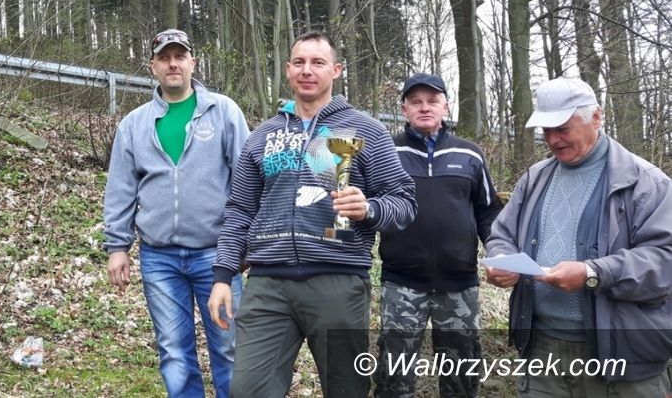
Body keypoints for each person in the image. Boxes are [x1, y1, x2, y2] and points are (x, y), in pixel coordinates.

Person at [208, 31, 416, 398]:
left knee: (346, 390)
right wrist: (223, 275)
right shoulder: (262, 136)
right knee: (248, 390)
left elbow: (404, 202)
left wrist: (369, 208)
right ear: (288, 69)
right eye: (299, 62)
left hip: (338, 280)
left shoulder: (366, 130)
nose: (307, 70)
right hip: (268, 283)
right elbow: (240, 210)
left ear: (336, 70)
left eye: (318, 62)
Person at [485, 77, 672, 395]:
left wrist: (592, 273)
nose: (552, 140)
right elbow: (503, 234)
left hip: (623, 356)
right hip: (541, 351)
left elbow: (664, 260)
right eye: (546, 130)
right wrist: (501, 259)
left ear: (596, 117)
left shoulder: (646, 183)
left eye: (562, 128)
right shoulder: (535, 178)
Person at [103, 28, 250, 398]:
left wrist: (244, 243)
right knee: (173, 351)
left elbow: (248, 181)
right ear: (152, 66)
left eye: (180, 56)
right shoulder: (134, 124)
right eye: (164, 58)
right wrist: (117, 246)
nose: (173, 64)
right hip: (159, 259)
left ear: (192, 63)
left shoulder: (223, 112)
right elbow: (121, 188)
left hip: (217, 255)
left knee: (230, 348)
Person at [374, 72, 502, 398]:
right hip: (401, 283)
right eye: (416, 101)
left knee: (461, 379)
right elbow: (370, 207)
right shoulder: (386, 152)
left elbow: (488, 210)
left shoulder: (470, 154)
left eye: (433, 101)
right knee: (393, 379)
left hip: (459, 284)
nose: (425, 107)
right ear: (404, 108)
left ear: (445, 106)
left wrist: (498, 249)